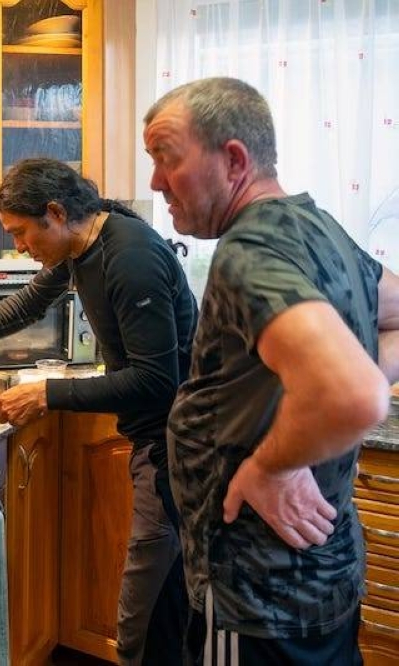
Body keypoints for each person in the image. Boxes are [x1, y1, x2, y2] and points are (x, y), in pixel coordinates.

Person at [144, 76, 399, 665]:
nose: (156, 181)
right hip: (323, 577)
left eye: (166, 158)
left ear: (233, 160)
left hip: (255, 594)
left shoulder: (248, 251)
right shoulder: (321, 228)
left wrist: (274, 466)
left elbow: (354, 394)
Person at [0, 158, 198, 666]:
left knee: (146, 619)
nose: (19, 247)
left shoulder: (129, 257)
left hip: (175, 453)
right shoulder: (82, 244)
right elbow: (29, 302)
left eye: (22, 233)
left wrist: (47, 394)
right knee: (166, 608)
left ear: (55, 212)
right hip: (157, 446)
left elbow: (158, 382)